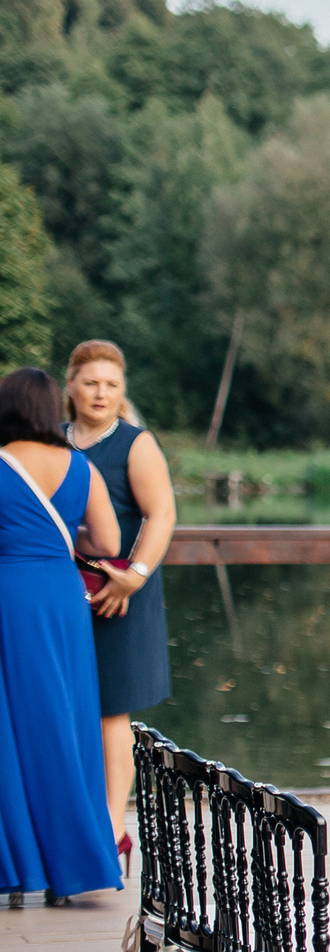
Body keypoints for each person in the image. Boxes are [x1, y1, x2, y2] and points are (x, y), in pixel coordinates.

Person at [0, 367, 123, 905]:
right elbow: (109, 538)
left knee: (10, 728)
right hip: (61, 601)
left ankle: (15, 865)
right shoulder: (81, 466)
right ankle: (71, 868)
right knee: (65, 727)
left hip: (7, 595)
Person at [64, 341, 174, 873]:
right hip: (63, 594)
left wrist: (134, 577)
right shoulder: (51, 442)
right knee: (69, 707)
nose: (101, 393)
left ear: (122, 390)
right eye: (90, 382)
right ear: (70, 386)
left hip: (120, 594)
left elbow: (162, 514)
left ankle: (112, 828)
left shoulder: (135, 444)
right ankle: (72, 822)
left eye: (110, 384)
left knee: (112, 708)